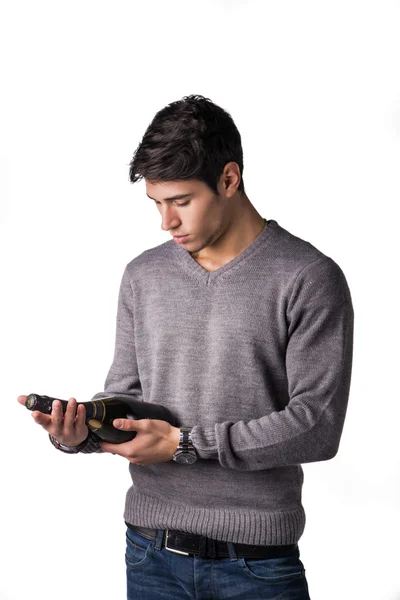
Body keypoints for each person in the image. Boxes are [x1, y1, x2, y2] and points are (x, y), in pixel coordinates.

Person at [18, 94, 354, 600]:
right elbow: (130, 398)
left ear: (228, 179)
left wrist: (185, 444)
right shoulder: (143, 275)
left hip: (256, 564)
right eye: (156, 203)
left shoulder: (307, 277)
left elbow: (316, 425)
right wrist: (84, 429)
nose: (165, 222)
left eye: (180, 201)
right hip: (150, 554)